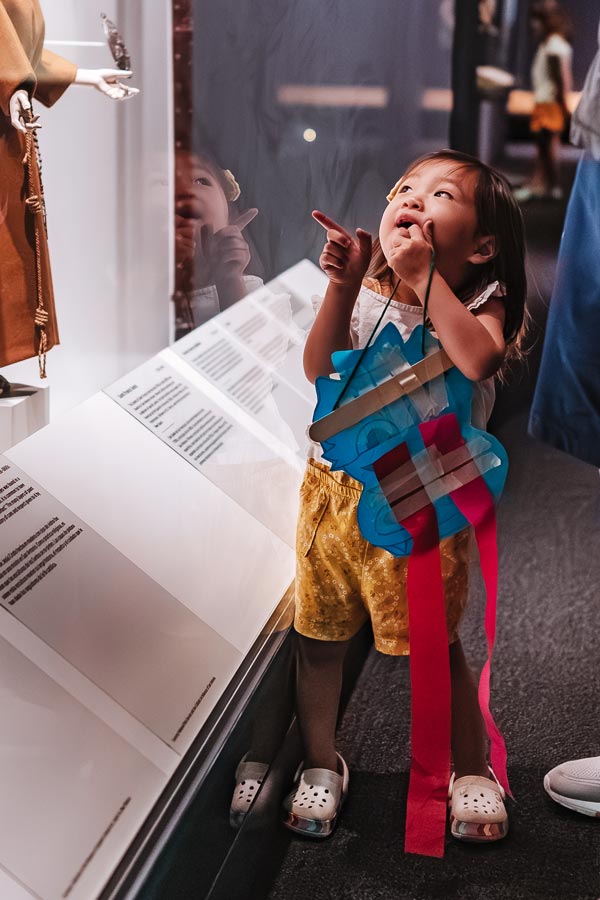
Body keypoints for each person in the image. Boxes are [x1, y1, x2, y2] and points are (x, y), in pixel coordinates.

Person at [284, 149, 527, 844]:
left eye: (442, 194)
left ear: (482, 246)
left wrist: (424, 281)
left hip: (422, 497)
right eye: (405, 188)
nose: (414, 198)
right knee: (320, 637)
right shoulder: (369, 288)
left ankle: (473, 769)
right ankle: (320, 763)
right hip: (333, 497)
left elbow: (478, 358)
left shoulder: (482, 299)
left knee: (432, 641)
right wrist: (344, 285)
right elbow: (317, 367)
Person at [173, 149, 259, 335]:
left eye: (200, 181)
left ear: (229, 213)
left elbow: (254, 348)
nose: (185, 190)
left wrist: (229, 279)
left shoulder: (250, 292)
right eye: (164, 183)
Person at [514, 1, 573, 203]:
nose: (533, 25)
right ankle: (542, 184)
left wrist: (564, 105)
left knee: (549, 145)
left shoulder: (555, 45)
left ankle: (551, 186)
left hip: (550, 103)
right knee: (543, 146)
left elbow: (562, 79)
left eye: (536, 20)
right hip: (544, 102)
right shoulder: (549, 43)